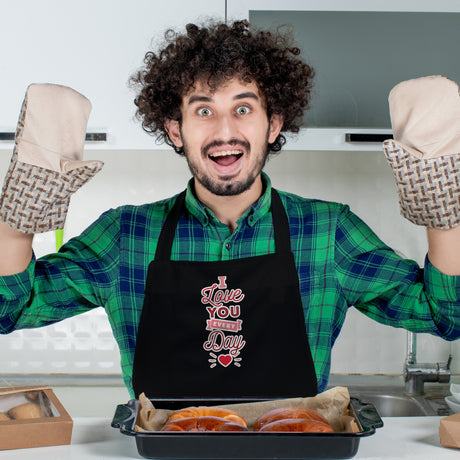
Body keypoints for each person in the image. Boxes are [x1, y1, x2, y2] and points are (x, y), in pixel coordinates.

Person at [0, 20, 459, 401]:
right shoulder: (126, 234)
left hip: (291, 450)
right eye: (203, 111)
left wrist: (443, 205)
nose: (224, 131)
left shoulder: (327, 231)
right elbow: (10, 310)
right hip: (164, 454)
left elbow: (445, 316)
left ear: (273, 123)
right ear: (175, 129)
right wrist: (26, 203)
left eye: (243, 108)